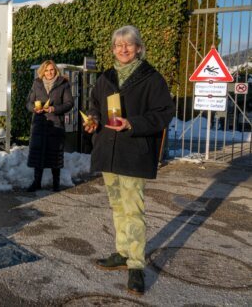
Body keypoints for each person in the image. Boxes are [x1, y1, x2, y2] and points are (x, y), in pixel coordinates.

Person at [83, 26, 175, 295]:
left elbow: (164, 113)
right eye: (118, 45)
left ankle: (136, 264)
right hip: (109, 152)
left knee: (133, 209)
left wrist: (132, 123)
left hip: (134, 152)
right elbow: (94, 104)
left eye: (129, 44)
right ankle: (123, 253)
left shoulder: (151, 78)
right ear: (112, 49)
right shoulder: (106, 77)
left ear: (138, 48)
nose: (123, 49)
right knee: (117, 207)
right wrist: (94, 120)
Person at [26, 60, 73, 192]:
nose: (49, 72)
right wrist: (34, 109)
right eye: (46, 70)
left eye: (52, 69)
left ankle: (56, 183)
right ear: (42, 71)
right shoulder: (37, 83)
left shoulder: (63, 84)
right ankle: (36, 182)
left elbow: (69, 103)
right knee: (38, 153)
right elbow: (29, 102)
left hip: (56, 124)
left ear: (56, 70)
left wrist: (54, 109)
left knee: (55, 154)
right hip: (39, 124)